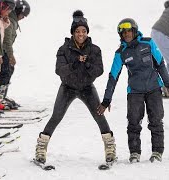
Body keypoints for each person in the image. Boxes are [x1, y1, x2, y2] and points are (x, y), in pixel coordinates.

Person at [34, 10, 116, 165]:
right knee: (56, 116)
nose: (81, 34)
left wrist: (87, 63)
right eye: (78, 31)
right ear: (72, 33)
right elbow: (59, 70)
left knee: (99, 115)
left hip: (87, 87)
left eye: (84, 31)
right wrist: (75, 63)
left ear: (87, 32)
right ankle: (41, 148)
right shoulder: (64, 49)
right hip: (67, 87)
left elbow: (99, 70)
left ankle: (110, 148)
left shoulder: (94, 49)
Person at [97, 18, 169, 163]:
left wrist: (168, 84)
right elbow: (113, 77)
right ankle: (134, 153)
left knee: (156, 120)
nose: (126, 34)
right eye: (123, 32)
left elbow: (160, 64)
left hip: (154, 88)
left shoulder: (148, 43)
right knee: (133, 122)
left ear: (134, 30)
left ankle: (157, 152)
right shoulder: (120, 53)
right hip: (134, 92)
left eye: (128, 31)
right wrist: (107, 100)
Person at [0, 0, 31, 109]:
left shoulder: (11, 20)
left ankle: (1, 96)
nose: (23, 17)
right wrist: (10, 55)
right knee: (5, 71)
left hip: (3, 51)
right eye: (23, 15)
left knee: (7, 70)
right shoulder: (10, 21)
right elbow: (6, 41)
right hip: (3, 51)